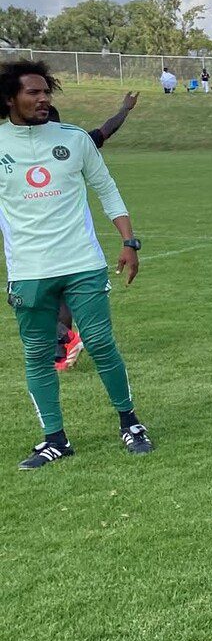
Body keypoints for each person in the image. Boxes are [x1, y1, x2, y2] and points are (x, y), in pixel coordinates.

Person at [0, 60, 154, 469]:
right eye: (33, 92)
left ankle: (131, 423)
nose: (43, 98)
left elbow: (107, 189)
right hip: (28, 271)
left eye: (46, 91)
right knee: (37, 355)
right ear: (9, 98)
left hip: (82, 263)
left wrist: (129, 241)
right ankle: (54, 439)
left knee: (102, 344)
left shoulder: (74, 139)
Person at [47, 92, 140, 372]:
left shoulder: (73, 144)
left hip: (47, 239)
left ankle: (64, 339)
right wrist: (125, 108)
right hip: (71, 239)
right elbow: (107, 129)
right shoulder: (78, 142)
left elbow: (106, 131)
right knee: (57, 296)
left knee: (33, 301)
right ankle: (61, 350)